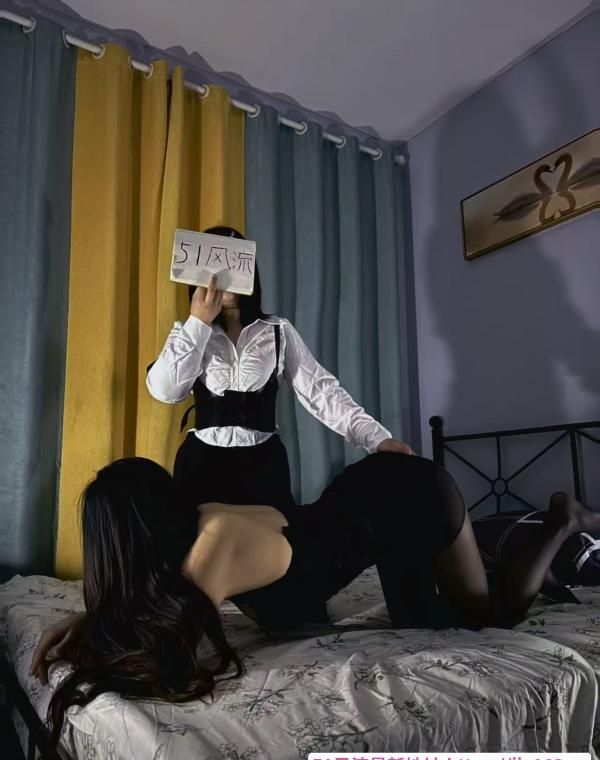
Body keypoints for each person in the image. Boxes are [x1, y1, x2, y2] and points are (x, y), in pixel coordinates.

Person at [30, 452, 600, 748]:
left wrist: (93, 631)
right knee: (424, 618)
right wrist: (90, 615)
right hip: (373, 505)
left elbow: (166, 658)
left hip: (413, 496)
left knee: (490, 616)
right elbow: (160, 605)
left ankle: (560, 522)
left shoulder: (214, 541)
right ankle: (513, 548)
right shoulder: (193, 539)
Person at [146, 225, 413, 518]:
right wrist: (199, 322)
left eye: (232, 261)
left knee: (274, 542)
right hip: (202, 466)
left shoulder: (277, 331)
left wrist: (377, 438)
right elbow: (165, 391)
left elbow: (321, 392)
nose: (223, 275)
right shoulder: (187, 333)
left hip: (262, 466)